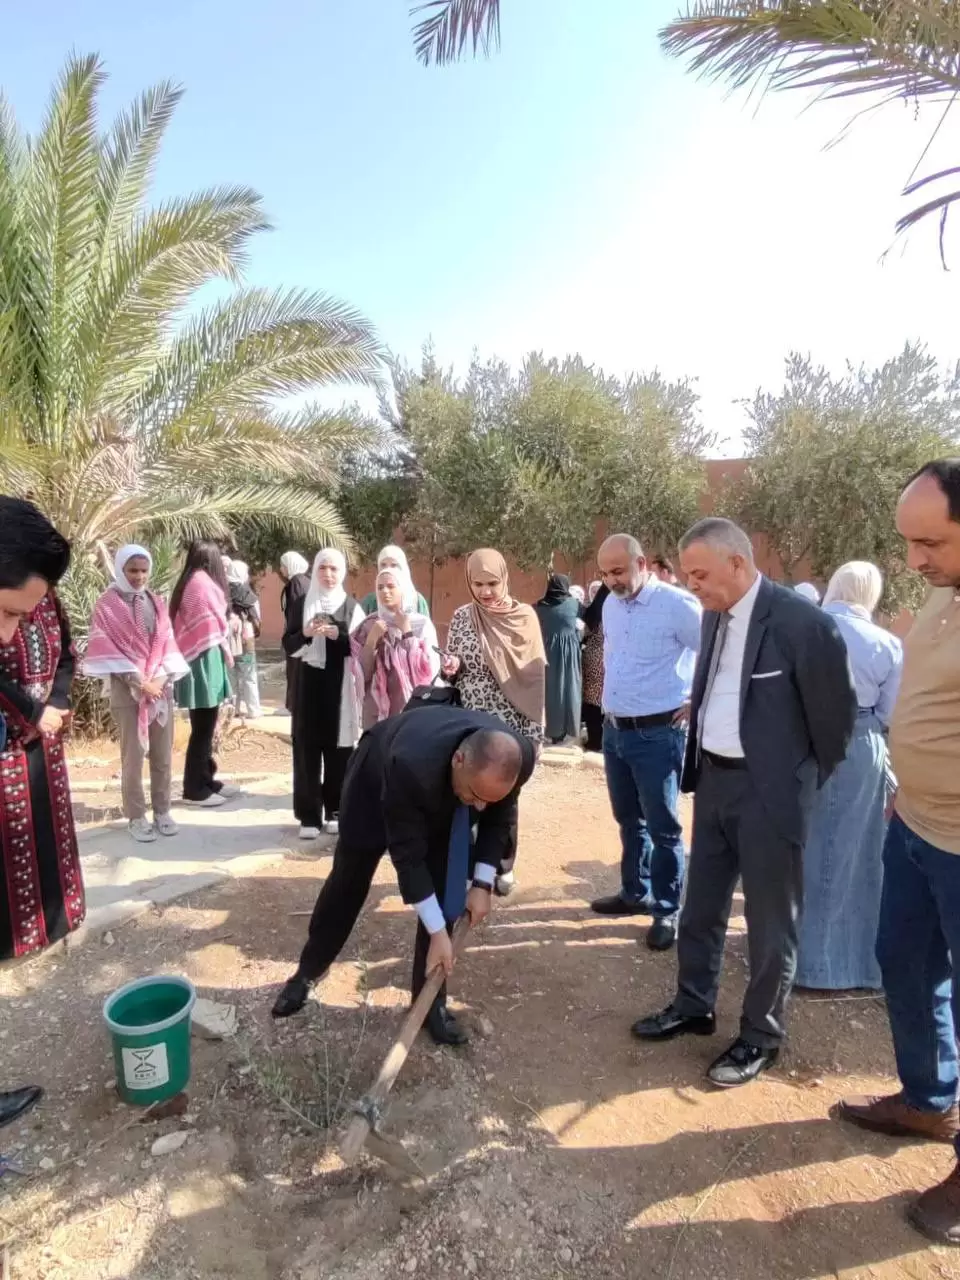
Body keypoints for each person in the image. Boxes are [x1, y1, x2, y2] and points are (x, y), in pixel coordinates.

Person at [633, 518, 856, 1087]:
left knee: (769, 921)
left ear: (738, 562)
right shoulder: (713, 614)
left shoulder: (804, 624)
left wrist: (794, 784)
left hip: (769, 795)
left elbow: (835, 726)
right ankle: (694, 1005)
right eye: (687, 575)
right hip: (714, 783)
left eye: (700, 574)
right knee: (701, 907)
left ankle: (761, 1034)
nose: (692, 585)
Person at [835, 461, 960, 1246]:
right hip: (914, 823)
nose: (915, 560)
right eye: (908, 543)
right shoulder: (946, 592)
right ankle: (929, 1100)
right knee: (905, 962)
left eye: (931, 542)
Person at [271, 707, 536, 1044]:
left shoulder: (516, 758)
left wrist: (483, 883)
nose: (479, 808)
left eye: (488, 800)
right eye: (476, 796)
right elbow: (408, 857)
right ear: (459, 760)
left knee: (443, 888)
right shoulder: (409, 766)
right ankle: (307, 972)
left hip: (444, 787)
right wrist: (438, 931)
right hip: (374, 781)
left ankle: (429, 1004)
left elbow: (498, 818)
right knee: (349, 878)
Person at [590, 534, 702, 952]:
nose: (611, 580)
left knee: (663, 827)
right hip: (615, 731)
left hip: (658, 734)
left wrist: (696, 699)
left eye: (618, 571)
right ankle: (634, 891)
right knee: (629, 819)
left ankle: (666, 909)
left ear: (641, 564)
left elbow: (716, 651)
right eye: (605, 573)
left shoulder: (678, 605)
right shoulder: (611, 604)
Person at [795, 561, 902, 990]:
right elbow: (890, 713)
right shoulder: (886, 643)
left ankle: (791, 955)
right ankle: (837, 963)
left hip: (800, 740)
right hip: (859, 745)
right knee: (853, 853)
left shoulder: (805, 628)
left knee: (802, 847)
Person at [0, 496, 85, 961]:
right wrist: (29, 712)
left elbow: (67, 653)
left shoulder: (40, 593)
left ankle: (54, 920)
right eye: (8, 613)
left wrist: (56, 702)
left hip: (43, 739)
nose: (8, 633)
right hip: (12, 740)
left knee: (48, 833)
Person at [442, 549, 546, 895]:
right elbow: (454, 663)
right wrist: (452, 667)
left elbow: (535, 679)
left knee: (505, 796)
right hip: (470, 723)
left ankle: (502, 865)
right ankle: (470, 865)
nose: (485, 591)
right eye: (478, 584)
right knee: (467, 795)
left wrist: (534, 733)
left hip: (510, 723)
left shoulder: (524, 618)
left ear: (504, 580)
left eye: (492, 583)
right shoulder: (462, 617)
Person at [83, 545, 189, 843]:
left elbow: (168, 643)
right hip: (128, 692)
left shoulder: (156, 601)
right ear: (120, 569)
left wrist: (159, 680)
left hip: (160, 691)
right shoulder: (106, 605)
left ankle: (163, 811)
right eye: (133, 570)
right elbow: (105, 648)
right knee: (133, 757)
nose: (139, 576)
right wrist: (140, 682)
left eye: (144, 570)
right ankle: (136, 816)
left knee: (162, 756)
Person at [284, 549, 364, 840]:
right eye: (322, 568)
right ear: (315, 570)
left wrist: (337, 636)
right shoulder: (301, 604)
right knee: (306, 751)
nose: (328, 575)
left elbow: (360, 649)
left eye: (333, 569)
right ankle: (309, 816)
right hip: (307, 687)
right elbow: (289, 645)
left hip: (340, 688)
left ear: (342, 572)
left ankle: (335, 811)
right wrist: (307, 633)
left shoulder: (352, 607)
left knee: (339, 752)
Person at [170, 540, 235, 809]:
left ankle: (206, 779)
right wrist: (227, 625)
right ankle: (195, 789)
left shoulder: (195, 580)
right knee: (203, 729)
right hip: (201, 660)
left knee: (206, 727)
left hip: (207, 658)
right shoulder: (200, 584)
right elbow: (208, 626)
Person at [354, 568, 440, 729]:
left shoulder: (421, 624)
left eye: (391, 586)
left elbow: (428, 670)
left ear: (403, 588)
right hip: (375, 713)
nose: (385, 591)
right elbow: (360, 674)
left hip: (410, 709)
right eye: (380, 587)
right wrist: (372, 640)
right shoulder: (369, 624)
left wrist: (407, 633)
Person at [534, 573, 582, 745]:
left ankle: (551, 730)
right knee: (570, 689)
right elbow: (590, 617)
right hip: (569, 653)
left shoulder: (538, 606)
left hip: (546, 651)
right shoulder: (574, 604)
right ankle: (568, 729)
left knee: (551, 690)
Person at [224, 558, 262, 721]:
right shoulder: (249, 595)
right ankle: (253, 710)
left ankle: (232, 709)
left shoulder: (222, 593)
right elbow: (257, 618)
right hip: (247, 641)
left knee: (230, 675)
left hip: (227, 641)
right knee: (249, 676)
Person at [279, 552, 310, 714]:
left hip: (298, 637)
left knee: (296, 673)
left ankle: (294, 706)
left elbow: (296, 614)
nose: (281, 569)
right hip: (302, 636)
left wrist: (291, 638)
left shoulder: (296, 583)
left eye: (283, 565)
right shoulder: (304, 581)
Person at [360, 545, 430, 617]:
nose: (388, 568)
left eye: (393, 565)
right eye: (383, 565)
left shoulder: (417, 600)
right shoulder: (370, 602)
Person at [581, 580, 608, 753]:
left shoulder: (592, 612)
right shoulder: (615, 611)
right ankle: (605, 739)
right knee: (607, 700)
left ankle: (594, 740)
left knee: (592, 702)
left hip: (592, 658)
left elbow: (584, 633)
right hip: (609, 659)